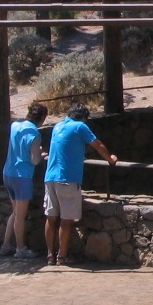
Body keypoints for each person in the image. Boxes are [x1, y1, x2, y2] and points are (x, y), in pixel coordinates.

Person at [44, 103, 117, 265]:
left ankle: (50, 254)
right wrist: (110, 159)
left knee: (51, 217)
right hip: (67, 179)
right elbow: (97, 144)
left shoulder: (58, 126)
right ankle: (62, 257)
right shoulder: (80, 126)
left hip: (50, 177)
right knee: (66, 220)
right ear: (83, 117)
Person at [0, 102, 48, 260]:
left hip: (8, 172)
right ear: (42, 118)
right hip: (22, 176)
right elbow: (34, 160)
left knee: (14, 212)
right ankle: (20, 248)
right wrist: (41, 154)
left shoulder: (15, 126)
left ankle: (6, 244)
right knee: (20, 215)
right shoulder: (34, 133)